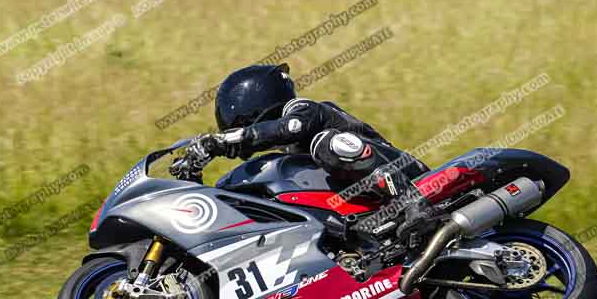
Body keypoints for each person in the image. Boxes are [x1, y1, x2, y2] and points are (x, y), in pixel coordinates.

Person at [178, 63, 435, 235]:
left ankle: (410, 201)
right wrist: (193, 187)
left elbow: (292, 127)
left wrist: (223, 142)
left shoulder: (305, 111)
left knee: (325, 144)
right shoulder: (285, 153)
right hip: (369, 205)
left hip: (408, 174)